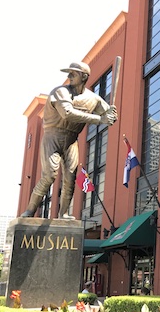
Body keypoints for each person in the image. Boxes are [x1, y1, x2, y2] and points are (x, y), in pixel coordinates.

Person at [20, 62, 118, 219]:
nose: (69, 76)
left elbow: (108, 115)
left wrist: (111, 115)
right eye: (69, 73)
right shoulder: (60, 92)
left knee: (71, 178)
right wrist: (100, 119)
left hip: (72, 139)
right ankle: (30, 211)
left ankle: (63, 213)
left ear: (84, 76)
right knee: (49, 176)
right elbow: (67, 113)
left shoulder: (93, 98)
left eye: (73, 74)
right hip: (53, 135)